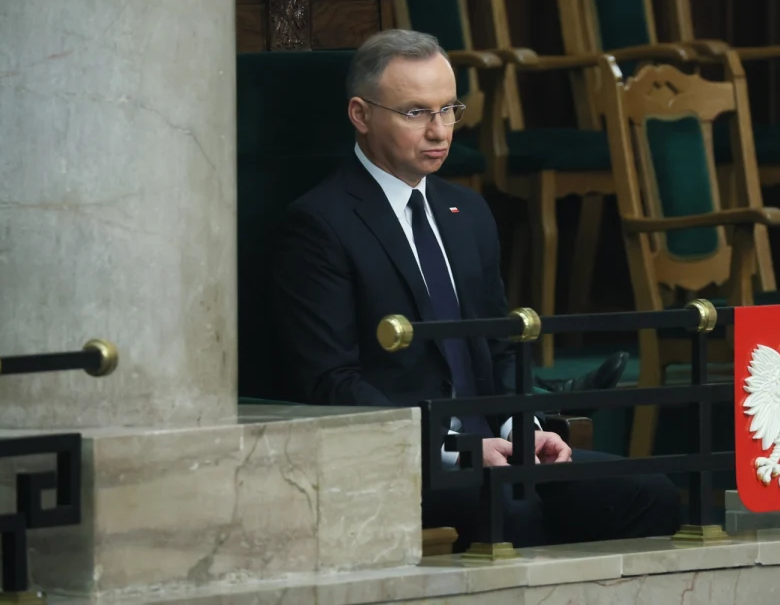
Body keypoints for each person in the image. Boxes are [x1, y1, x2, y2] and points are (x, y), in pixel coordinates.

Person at [271, 29, 680, 549]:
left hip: (496, 446)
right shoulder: (319, 224)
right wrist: (461, 446)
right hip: (409, 458)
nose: (440, 131)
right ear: (361, 114)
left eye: (449, 110)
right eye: (416, 112)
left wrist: (520, 427)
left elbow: (498, 349)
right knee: (512, 508)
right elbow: (332, 382)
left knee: (649, 494)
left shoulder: (467, 213)